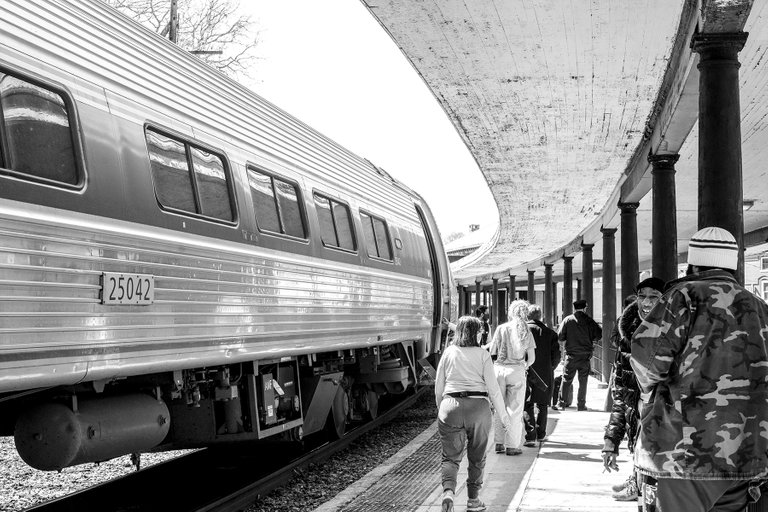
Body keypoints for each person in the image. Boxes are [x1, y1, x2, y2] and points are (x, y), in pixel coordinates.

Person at [631, 227, 768, 512]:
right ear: (733, 264)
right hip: (745, 455)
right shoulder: (760, 307)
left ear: (694, 263)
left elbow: (647, 358)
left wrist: (651, 391)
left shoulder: (682, 297)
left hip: (682, 457)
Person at [435, 315, 510, 512]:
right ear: (475, 333)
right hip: (478, 407)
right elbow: (493, 389)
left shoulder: (449, 352)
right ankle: (473, 500)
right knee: (477, 456)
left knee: (450, 457)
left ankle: (448, 492)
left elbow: (438, 386)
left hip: (450, 405)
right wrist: (504, 416)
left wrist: (441, 409)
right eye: (480, 331)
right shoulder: (482, 355)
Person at [601, 276, 664, 502]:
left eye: (654, 297)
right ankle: (637, 480)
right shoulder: (626, 337)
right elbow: (621, 396)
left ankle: (639, 483)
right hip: (639, 419)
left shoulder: (675, 335)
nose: (646, 303)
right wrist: (611, 442)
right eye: (642, 296)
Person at [489, 299, 536, 456]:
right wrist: (525, 366)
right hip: (516, 370)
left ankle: (499, 443)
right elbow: (532, 358)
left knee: (499, 408)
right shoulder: (525, 330)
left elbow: (492, 351)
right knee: (514, 410)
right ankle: (512, 445)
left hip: (498, 370)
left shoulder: (501, 328)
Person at [523, 304, 560, 446]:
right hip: (545, 372)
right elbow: (556, 356)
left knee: (527, 403)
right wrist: (550, 367)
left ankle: (530, 435)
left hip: (527, 370)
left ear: (527, 316)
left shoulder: (523, 331)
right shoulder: (550, 333)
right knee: (543, 404)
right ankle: (541, 433)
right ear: (540, 316)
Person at [557, 298, 602, 411]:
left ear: (574, 308)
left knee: (566, 379)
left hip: (571, 355)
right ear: (585, 308)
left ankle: (561, 403)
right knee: (583, 381)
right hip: (585, 356)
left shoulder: (567, 320)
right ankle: (581, 405)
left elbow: (560, 336)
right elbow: (598, 335)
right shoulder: (589, 321)